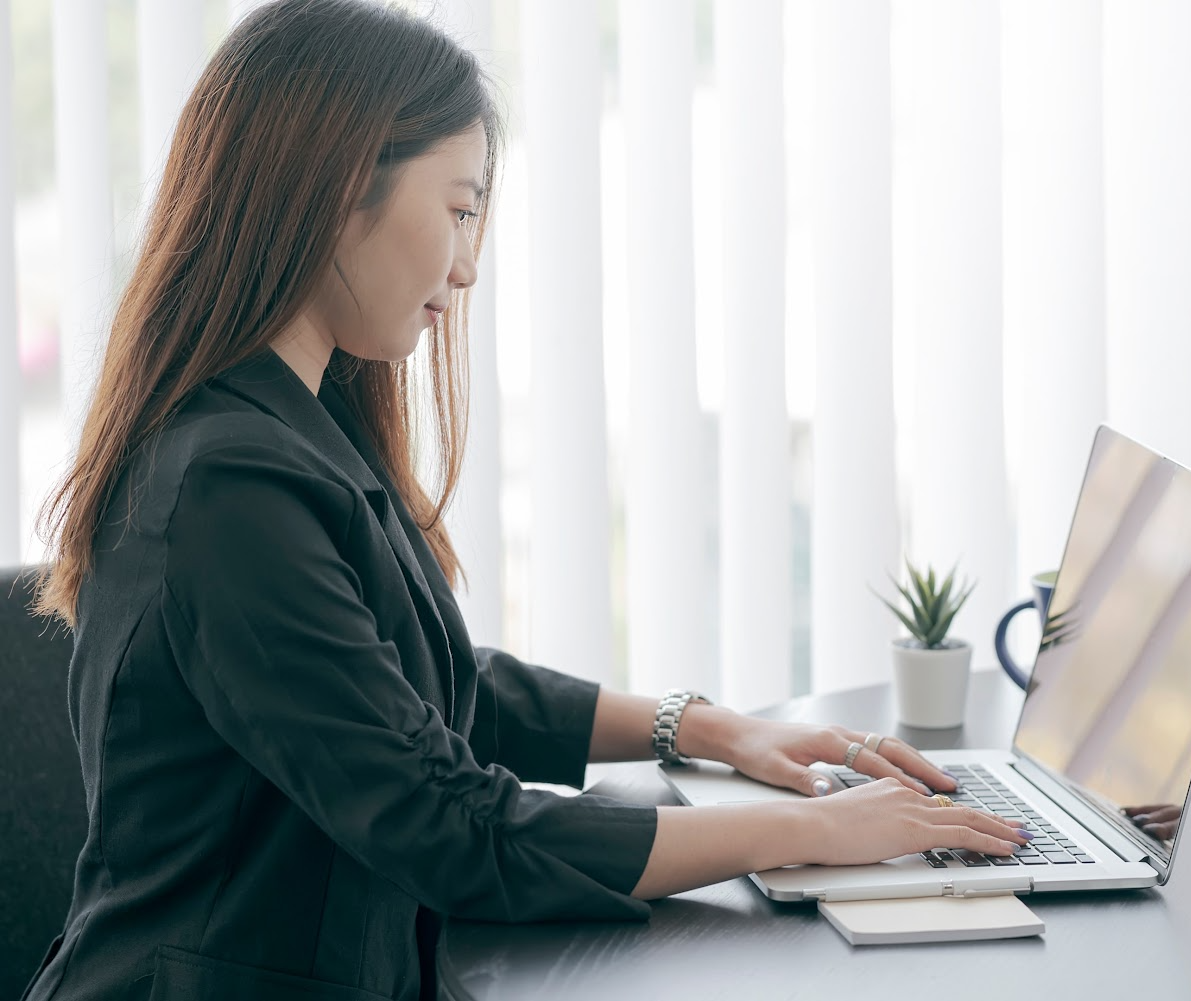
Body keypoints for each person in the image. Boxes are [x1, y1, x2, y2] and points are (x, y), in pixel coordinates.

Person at [18, 3, 1028, 999]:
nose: (466, 266)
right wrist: (814, 831)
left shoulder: (290, 430)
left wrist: (708, 728)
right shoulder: (228, 488)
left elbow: (419, 694)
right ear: (336, 186)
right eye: (459, 209)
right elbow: (448, 825)